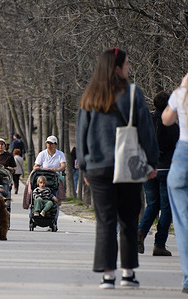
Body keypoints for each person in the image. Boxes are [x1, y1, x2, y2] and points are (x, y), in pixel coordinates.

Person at [76, 48, 158, 289]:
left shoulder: (89, 97)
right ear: (116, 67)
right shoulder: (133, 94)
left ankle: (107, 275)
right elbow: (146, 131)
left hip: (98, 168)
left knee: (105, 221)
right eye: (127, 63)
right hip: (128, 165)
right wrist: (151, 163)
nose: (129, 67)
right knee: (129, 220)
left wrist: (84, 167)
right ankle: (128, 273)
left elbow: (81, 135)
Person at [138, 92, 178, 257]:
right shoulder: (174, 127)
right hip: (166, 169)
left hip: (147, 168)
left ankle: (140, 233)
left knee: (152, 204)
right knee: (166, 207)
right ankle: (159, 244)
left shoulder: (145, 124)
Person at [162, 72, 188, 294]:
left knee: (182, 220)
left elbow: (166, 119)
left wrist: (182, 87)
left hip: (183, 154)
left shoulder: (181, 94)